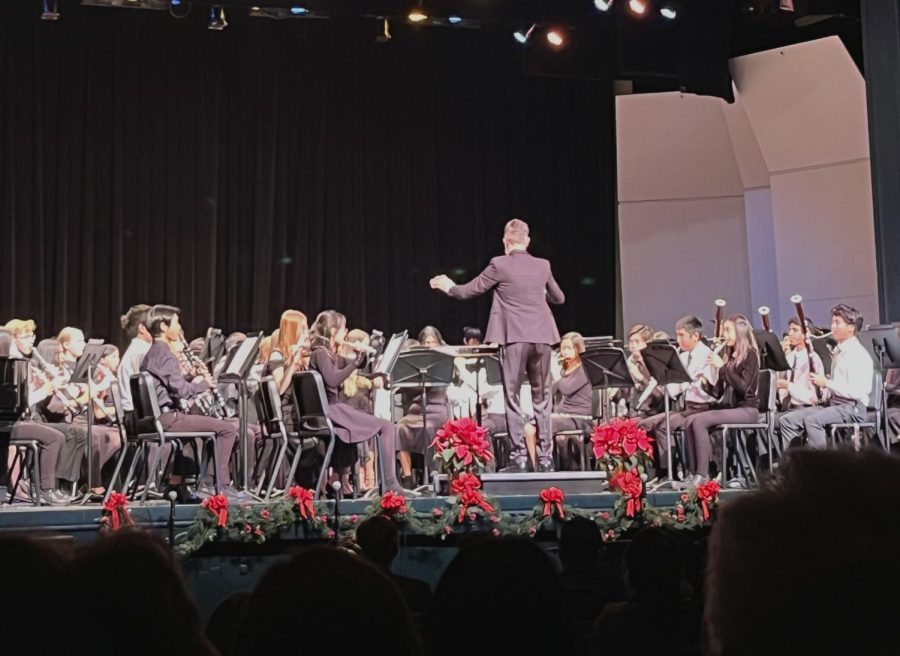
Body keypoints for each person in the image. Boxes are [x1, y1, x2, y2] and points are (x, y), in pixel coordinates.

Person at [430, 218, 565, 473]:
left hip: (514, 337)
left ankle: (519, 457)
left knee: (512, 397)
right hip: (543, 337)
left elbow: (467, 291)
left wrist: (448, 285)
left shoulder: (499, 264)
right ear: (527, 241)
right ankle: (546, 459)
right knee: (543, 398)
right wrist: (535, 290)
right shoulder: (543, 265)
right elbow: (559, 298)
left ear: (505, 241)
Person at [139, 304, 246, 501]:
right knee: (227, 429)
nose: (179, 327)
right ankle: (220, 486)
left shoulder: (153, 353)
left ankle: (176, 484)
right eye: (176, 323)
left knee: (189, 436)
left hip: (158, 417)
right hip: (167, 418)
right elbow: (182, 391)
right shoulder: (165, 354)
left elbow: (169, 383)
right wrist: (204, 384)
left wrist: (189, 376)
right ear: (163, 326)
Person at [307, 310, 403, 493]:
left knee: (353, 433)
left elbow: (355, 365)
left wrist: (361, 358)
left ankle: (339, 480)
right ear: (333, 331)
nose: (346, 332)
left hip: (331, 410)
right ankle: (391, 484)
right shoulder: (320, 353)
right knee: (387, 427)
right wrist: (354, 364)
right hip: (331, 410)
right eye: (343, 329)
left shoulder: (326, 353)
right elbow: (333, 380)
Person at [779, 304, 874, 449]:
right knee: (787, 420)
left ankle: (821, 467)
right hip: (836, 405)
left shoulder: (857, 354)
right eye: (832, 322)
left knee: (813, 421)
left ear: (851, 327)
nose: (832, 326)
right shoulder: (840, 351)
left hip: (852, 407)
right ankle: (795, 465)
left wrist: (826, 383)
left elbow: (857, 391)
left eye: (837, 323)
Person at [681, 314, 760, 485]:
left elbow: (745, 389)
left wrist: (722, 367)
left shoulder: (751, 356)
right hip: (731, 409)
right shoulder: (730, 357)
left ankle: (703, 475)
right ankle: (692, 473)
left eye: (727, 330)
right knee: (690, 420)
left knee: (700, 421)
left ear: (740, 332)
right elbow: (718, 393)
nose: (724, 334)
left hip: (747, 410)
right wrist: (705, 382)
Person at [639, 316, 718, 479]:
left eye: (682, 335)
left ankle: (673, 472)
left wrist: (696, 381)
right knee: (647, 424)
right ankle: (662, 472)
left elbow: (712, 389)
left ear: (695, 336)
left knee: (664, 425)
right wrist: (662, 379)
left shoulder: (707, 355)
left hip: (704, 408)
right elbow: (676, 389)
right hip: (688, 408)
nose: (678, 339)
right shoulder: (682, 357)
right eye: (677, 335)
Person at [396, 326, 450, 487]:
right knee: (400, 428)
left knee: (430, 428)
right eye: (426, 342)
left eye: (433, 342)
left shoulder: (444, 360)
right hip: (416, 411)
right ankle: (407, 478)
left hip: (437, 410)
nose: (429, 345)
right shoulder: (414, 362)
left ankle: (434, 474)